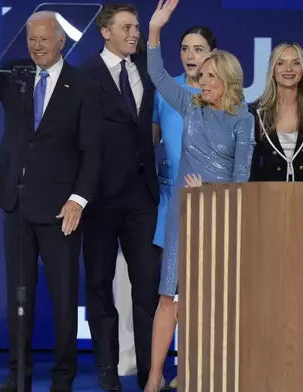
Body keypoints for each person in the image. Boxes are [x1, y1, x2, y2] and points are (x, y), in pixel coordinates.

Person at [0, 10, 100, 392]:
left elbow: (92, 151)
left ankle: (63, 378)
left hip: (60, 209)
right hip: (16, 204)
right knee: (19, 296)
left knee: (65, 299)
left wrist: (78, 200)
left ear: (61, 41)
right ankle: (18, 376)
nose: (36, 46)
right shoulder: (16, 75)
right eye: (31, 39)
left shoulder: (82, 85)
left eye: (44, 39)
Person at [144, 0, 255, 390]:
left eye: (209, 75)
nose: (202, 81)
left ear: (227, 78)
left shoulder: (243, 119)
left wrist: (208, 190)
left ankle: (197, 376)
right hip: (183, 213)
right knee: (167, 299)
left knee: (208, 304)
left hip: (220, 218)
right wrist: (155, 29)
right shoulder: (189, 107)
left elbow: (241, 179)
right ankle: (154, 378)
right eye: (200, 75)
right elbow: (156, 72)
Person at [80, 3, 160, 390]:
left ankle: (150, 374)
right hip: (98, 199)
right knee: (99, 285)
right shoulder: (84, 75)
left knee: (147, 288)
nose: (135, 33)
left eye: (138, 27)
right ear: (105, 32)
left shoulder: (146, 66)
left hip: (143, 197)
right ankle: (108, 372)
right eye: (127, 27)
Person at [150, 25, 217, 389]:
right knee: (169, 291)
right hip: (170, 202)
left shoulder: (223, 96)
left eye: (199, 49)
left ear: (213, 54)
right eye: (185, 49)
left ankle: (190, 371)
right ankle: (156, 374)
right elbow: (151, 140)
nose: (191, 56)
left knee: (202, 294)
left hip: (210, 207)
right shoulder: (169, 91)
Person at [249, 42, 303, 182]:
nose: (289, 69)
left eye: (296, 63)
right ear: (273, 70)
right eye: (281, 63)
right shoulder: (256, 113)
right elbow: (250, 166)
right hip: (268, 197)